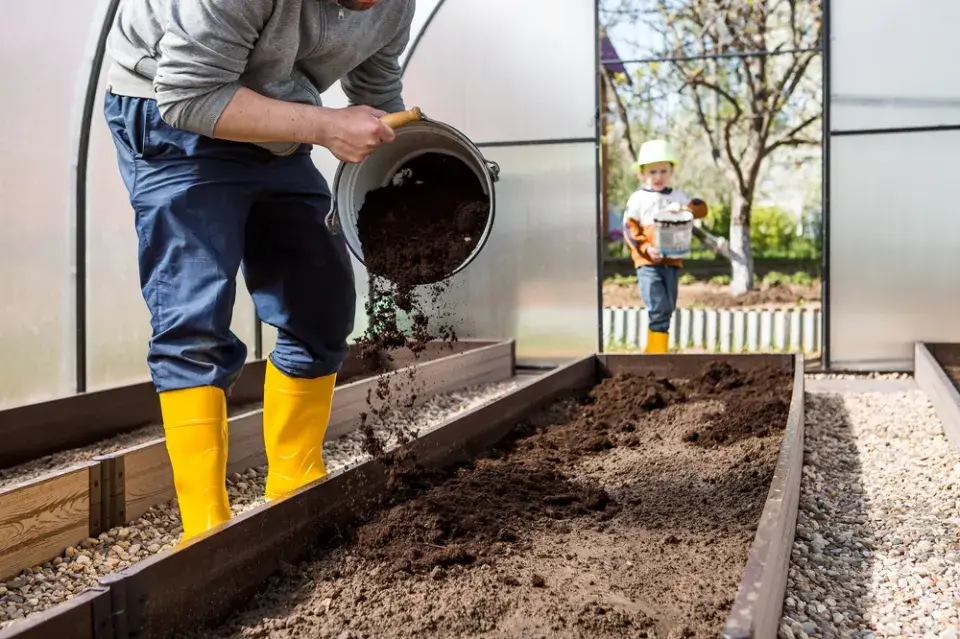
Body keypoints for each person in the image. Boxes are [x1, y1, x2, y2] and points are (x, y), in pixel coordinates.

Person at [102, 0, 415, 542]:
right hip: (170, 112)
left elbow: (378, 91)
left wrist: (411, 163)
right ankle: (206, 532)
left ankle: (295, 488)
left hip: (275, 116)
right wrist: (322, 125)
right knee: (194, 316)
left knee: (319, 303)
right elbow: (189, 95)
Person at [622, 140, 708, 354]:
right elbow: (629, 229)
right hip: (648, 263)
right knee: (658, 306)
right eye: (652, 172)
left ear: (671, 171)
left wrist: (688, 207)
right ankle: (654, 353)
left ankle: (657, 350)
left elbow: (699, 211)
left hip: (672, 261)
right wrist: (646, 250)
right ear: (642, 174)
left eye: (663, 171)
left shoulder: (677, 196)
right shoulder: (639, 199)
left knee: (667, 307)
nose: (658, 176)